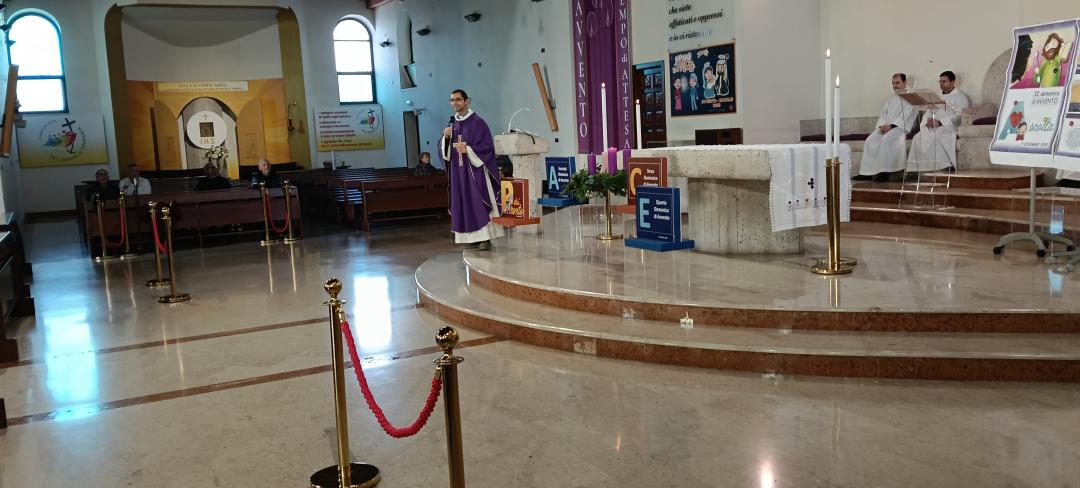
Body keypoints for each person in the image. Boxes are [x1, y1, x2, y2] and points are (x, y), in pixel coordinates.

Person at [439, 89, 503, 251]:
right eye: (452, 100)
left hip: (475, 172)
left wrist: (468, 149)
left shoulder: (478, 123)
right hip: (458, 172)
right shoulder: (452, 124)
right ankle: (471, 238)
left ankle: (485, 238)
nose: (454, 103)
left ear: (467, 101)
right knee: (463, 203)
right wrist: (446, 138)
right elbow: (444, 153)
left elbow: (488, 147)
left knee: (478, 201)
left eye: (458, 99)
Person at [855, 73, 917, 182]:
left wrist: (891, 126)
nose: (894, 85)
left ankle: (884, 173)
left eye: (897, 83)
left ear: (904, 82)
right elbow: (883, 113)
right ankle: (867, 172)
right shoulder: (891, 98)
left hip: (900, 128)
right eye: (893, 83)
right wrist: (882, 125)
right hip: (886, 127)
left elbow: (906, 116)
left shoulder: (911, 97)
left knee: (885, 140)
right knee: (870, 140)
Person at [906, 71, 970, 174]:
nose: (941, 84)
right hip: (933, 126)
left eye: (944, 81)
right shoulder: (936, 96)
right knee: (917, 138)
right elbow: (928, 112)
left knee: (936, 136)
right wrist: (927, 121)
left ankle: (944, 166)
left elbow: (960, 116)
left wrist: (940, 122)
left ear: (952, 82)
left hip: (949, 127)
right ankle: (917, 170)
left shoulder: (960, 97)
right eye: (940, 81)